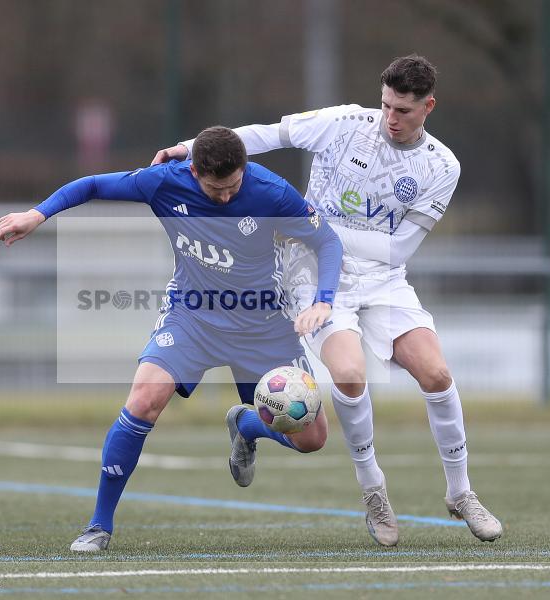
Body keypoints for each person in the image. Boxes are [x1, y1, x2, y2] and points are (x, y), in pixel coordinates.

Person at [153, 55, 503, 545]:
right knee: (351, 375)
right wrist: (188, 148)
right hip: (313, 273)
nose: (391, 118)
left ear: (429, 106)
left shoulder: (442, 165)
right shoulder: (342, 124)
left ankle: (462, 493)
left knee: (437, 374)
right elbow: (266, 135)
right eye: (385, 105)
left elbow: (399, 248)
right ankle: (374, 493)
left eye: (403, 109)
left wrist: (308, 223)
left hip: (383, 278)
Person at [0, 126, 343, 552]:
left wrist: (323, 300)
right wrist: (37, 214)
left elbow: (325, 239)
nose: (225, 197)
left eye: (234, 186)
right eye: (216, 189)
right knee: (144, 398)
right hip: (192, 315)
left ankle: (247, 425)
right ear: (194, 171)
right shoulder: (163, 181)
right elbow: (90, 185)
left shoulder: (271, 190)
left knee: (313, 438)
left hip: (264, 323)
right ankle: (99, 526)